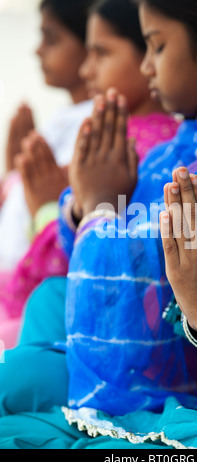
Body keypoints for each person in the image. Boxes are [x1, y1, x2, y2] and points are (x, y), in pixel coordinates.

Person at [0, 0, 197, 449]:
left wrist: (100, 205)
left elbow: (150, 258)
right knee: (46, 306)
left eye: (157, 47)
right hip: (116, 343)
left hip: (163, 368)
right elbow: (110, 219)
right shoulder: (174, 148)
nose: (147, 66)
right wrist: (85, 204)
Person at [0, 0, 180, 351]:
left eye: (101, 53)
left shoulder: (127, 149)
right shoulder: (115, 139)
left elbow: (94, 246)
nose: (86, 71)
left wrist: (48, 210)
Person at [0, 0, 95, 274]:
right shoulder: (63, 119)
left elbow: (53, 209)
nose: (38, 50)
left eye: (51, 39)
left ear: (90, 44)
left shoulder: (89, 126)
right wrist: (13, 176)